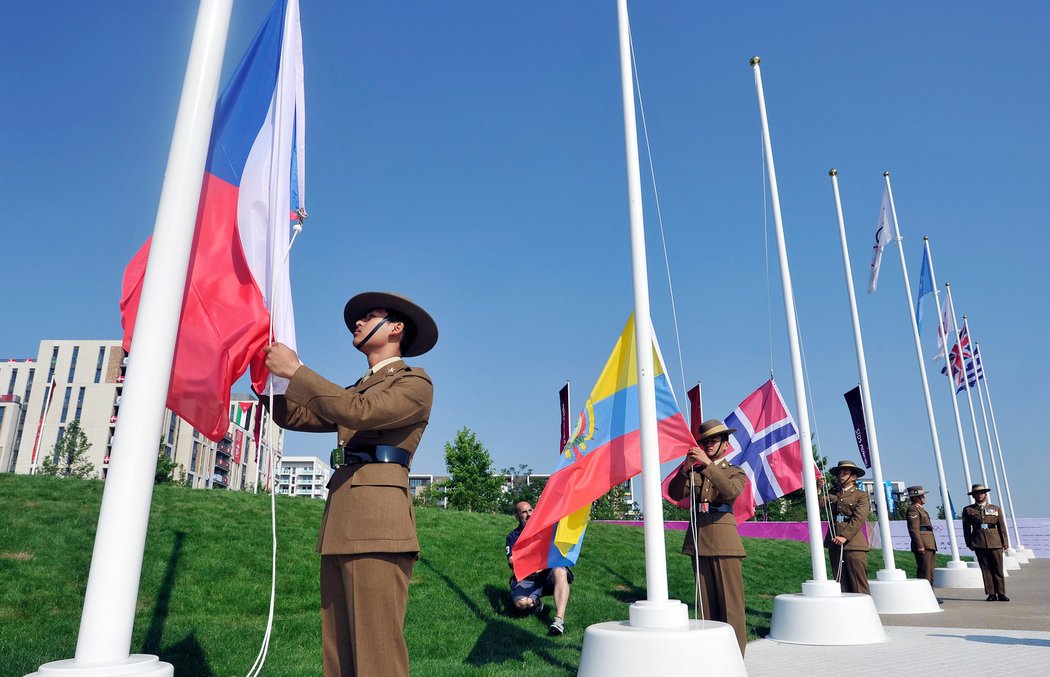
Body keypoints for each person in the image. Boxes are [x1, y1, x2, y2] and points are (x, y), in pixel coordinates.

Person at [263, 291, 437, 677]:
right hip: (343, 522)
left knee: (377, 654)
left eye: (368, 316)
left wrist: (296, 371)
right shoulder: (358, 387)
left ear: (396, 327)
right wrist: (265, 377)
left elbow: (360, 412)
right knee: (339, 653)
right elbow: (297, 416)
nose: (356, 323)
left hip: (378, 526)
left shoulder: (414, 383)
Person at [666, 419, 747, 655]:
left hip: (724, 543)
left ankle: (735, 658)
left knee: (731, 607)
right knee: (706, 607)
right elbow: (673, 493)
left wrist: (707, 465)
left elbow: (730, 491)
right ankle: (714, 657)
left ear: (725, 444)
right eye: (704, 441)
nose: (708, 444)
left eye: (713, 440)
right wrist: (685, 469)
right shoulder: (695, 471)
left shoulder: (734, 470)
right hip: (699, 541)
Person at [505, 500, 573, 636]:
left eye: (530, 510)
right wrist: (530, 565)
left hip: (549, 575)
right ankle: (536, 604)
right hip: (528, 577)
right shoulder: (513, 536)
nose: (529, 514)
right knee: (521, 604)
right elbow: (511, 561)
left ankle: (559, 621)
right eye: (524, 512)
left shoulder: (547, 529)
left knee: (560, 571)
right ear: (517, 516)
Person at [823, 459, 871, 595]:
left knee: (858, 582)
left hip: (853, 543)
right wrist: (819, 488)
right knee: (840, 581)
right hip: (834, 542)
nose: (841, 476)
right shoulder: (832, 493)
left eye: (845, 473)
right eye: (839, 473)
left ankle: (864, 612)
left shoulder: (860, 496)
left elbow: (859, 518)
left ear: (853, 477)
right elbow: (818, 505)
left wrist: (844, 536)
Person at [961, 483, 1010, 602]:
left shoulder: (995, 508)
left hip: (995, 541)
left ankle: (1001, 593)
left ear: (986, 494)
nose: (980, 495)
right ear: (973, 496)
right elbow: (966, 528)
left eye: (982, 493)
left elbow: (1002, 526)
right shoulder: (968, 510)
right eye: (977, 493)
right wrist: (969, 543)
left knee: (998, 568)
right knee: (986, 568)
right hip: (979, 541)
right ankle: (991, 593)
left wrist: (1005, 541)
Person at [905, 485, 937, 586]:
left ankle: (930, 593)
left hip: (929, 542)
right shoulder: (913, 509)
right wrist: (920, 545)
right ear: (915, 498)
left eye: (923, 495)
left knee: (930, 571)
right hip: (923, 543)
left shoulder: (921, 509)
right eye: (921, 496)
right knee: (925, 571)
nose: (924, 498)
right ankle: (926, 594)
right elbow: (914, 529)